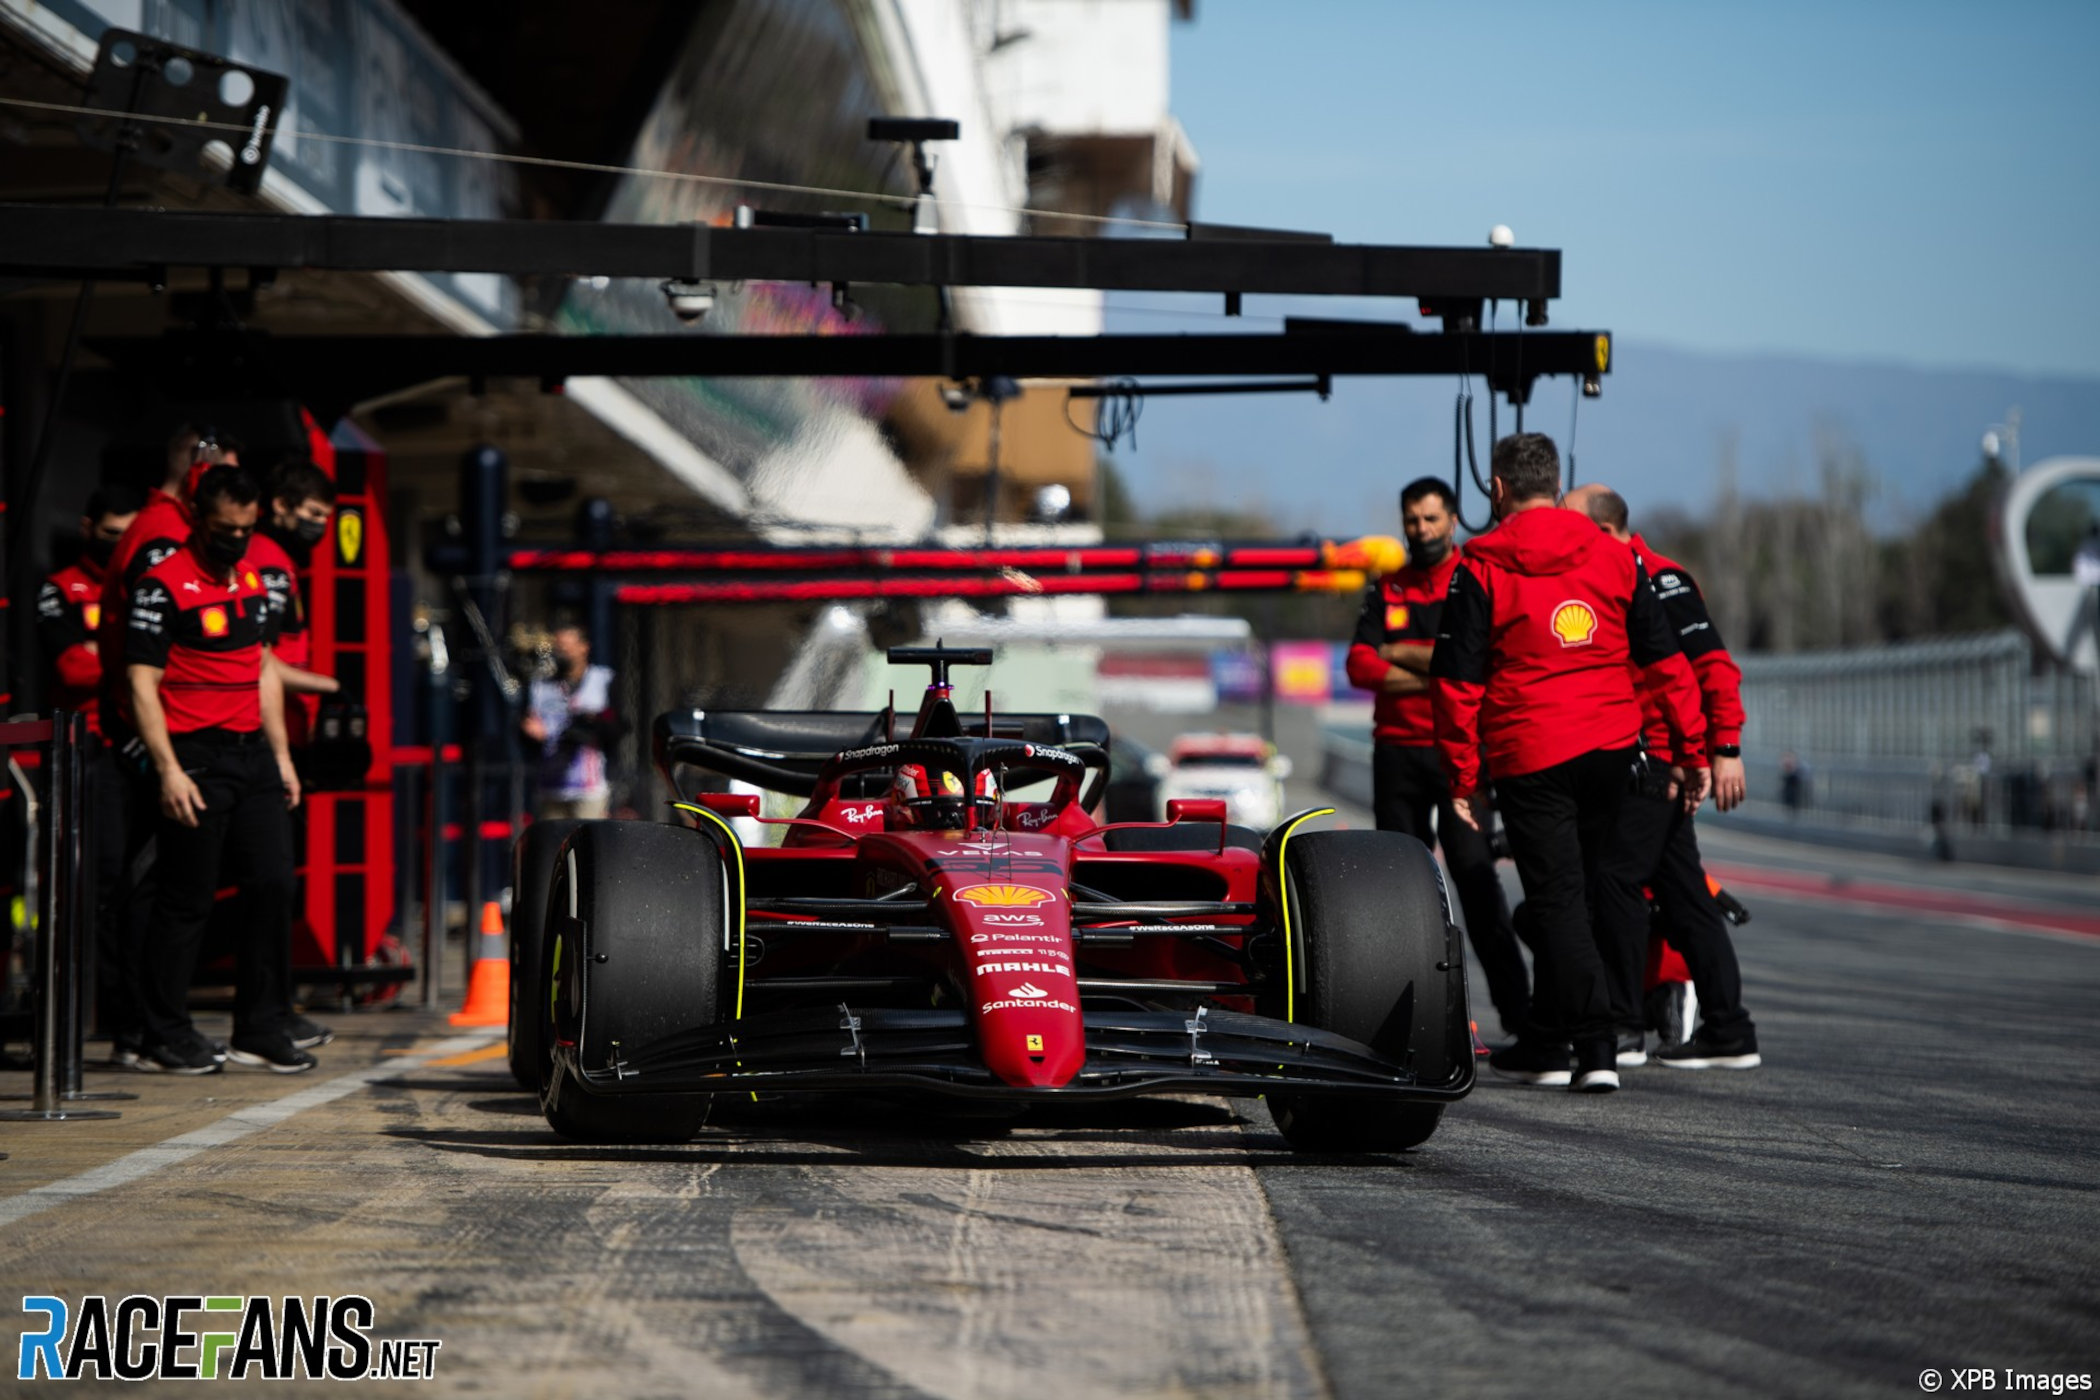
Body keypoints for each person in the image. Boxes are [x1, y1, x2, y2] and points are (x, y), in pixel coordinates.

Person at [1430, 433, 1708, 1094]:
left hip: (1531, 751)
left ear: (1498, 488)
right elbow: (1667, 663)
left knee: (1557, 900)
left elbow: (1455, 685)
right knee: (1584, 894)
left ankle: (1596, 1045)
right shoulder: (1617, 556)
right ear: (1557, 486)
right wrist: (1692, 750)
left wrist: (1463, 778)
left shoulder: (1480, 565)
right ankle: (1549, 1040)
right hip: (1613, 748)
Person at [124, 464, 313, 1074]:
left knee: (274, 885)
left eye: (245, 530)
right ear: (198, 521)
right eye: (224, 529)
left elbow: (263, 669)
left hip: (253, 754)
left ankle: (260, 1027)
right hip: (194, 756)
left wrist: (281, 757)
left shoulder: (253, 578)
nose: (236, 540)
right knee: (187, 899)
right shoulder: (160, 585)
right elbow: (140, 683)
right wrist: (168, 769)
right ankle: (162, 1032)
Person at [1565, 484, 1760, 1070]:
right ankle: (1729, 1028)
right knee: (1684, 895)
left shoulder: (1658, 578)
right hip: (1647, 757)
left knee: (1615, 882)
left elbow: (1714, 666)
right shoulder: (1609, 577)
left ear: (1603, 530)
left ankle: (1625, 1026)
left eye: (1569, 525)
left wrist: (1723, 748)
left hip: (1658, 760)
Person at [1345, 476, 1529, 1043]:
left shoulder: (1474, 577)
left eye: (1430, 518)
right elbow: (1359, 665)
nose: (1420, 529)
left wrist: (1399, 653)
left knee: (1475, 879)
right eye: (1412, 519)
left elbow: (1484, 661)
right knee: (1400, 894)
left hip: (1461, 754)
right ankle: (1410, 1026)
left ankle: (1521, 1019)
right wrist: (1442, 670)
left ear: (1452, 520)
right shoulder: (1387, 587)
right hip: (1396, 754)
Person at [37, 484, 146, 1060]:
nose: (118, 545)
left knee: (141, 887)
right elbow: (73, 669)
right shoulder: (60, 589)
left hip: (138, 750)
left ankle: (138, 1020)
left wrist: (111, 653)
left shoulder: (140, 588)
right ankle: (91, 1020)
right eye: (110, 534)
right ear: (87, 529)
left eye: (127, 536)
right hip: (84, 755)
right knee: (94, 887)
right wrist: (136, 657)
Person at [251, 456, 342, 715]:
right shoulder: (271, 565)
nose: (320, 524)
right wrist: (327, 686)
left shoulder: (277, 556)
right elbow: (257, 657)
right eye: (314, 513)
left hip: (285, 708)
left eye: (326, 517)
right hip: (275, 712)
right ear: (281, 505)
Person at [523, 624, 619, 821]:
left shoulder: (602, 680)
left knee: (588, 837)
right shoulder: (541, 685)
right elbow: (527, 726)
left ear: (584, 647)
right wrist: (531, 733)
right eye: (559, 647)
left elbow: (616, 727)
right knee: (553, 838)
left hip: (588, 786)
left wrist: (590, 724)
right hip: (550, 784)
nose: (562, 652)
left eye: (568, 646)